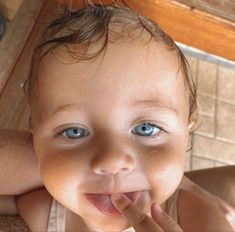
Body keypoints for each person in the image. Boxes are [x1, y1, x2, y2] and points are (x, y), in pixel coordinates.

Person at [0, 2, 234, 232]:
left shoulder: (199, 217)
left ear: (187, 132)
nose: (111, 161)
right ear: (35, 140)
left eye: (147, 128)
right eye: (74, 132)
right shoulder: (42, 211)